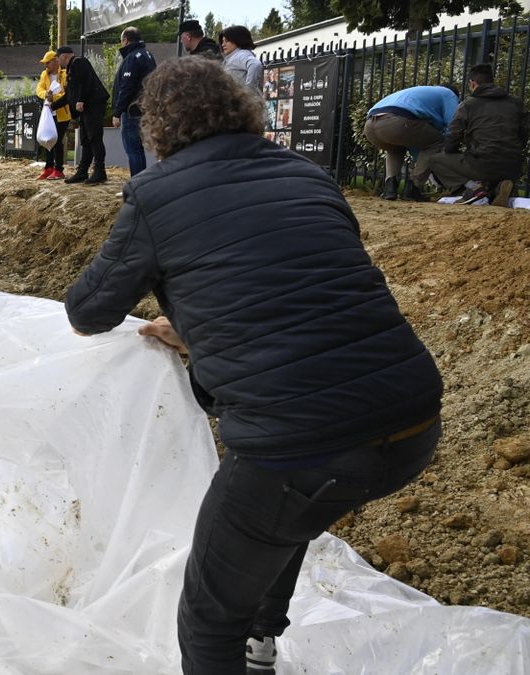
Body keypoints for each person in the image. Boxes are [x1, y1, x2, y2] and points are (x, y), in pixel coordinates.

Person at [63, 58, 442, 675]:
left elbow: (88, 311)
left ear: (157, 128)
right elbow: (303, 287)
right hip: (412, 421)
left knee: (209, 614)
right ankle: (260, 642)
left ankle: (242, 641)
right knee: (287, 518)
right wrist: (193, 331)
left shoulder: (154, 195)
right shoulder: (307, 174)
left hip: (298, 444)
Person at [428, 63, 527, 207]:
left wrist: (453, 153)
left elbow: (453, 135)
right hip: (513, 165)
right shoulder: (516, 103)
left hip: (482, 164)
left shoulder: (468, 105)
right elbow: (524, 133)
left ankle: (472, 189)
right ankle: (498, 188)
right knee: (488, 167)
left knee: (435, 160)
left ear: (473, 83)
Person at [364, 84, 459, 201]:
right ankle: (413, 188)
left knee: (395, 148)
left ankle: (390, 188)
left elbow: (416, 145)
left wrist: (422, 162)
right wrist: (452, 150)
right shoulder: (449, 94)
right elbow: (453, 125)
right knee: (438, 142)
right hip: (396, 122)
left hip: (370, 126)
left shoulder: (422, 94)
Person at [56, 46, 110, 185]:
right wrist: (51, 107)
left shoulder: (79, 62)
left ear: (64, 56)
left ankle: (100, 170)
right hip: (85, 107)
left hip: (93, 104)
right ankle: (82, 171)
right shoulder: (70, 70)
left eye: (58, 57)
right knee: (85, 139)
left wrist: (81, 99)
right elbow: (69, 96)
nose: (57, 61)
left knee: (94, 137)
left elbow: (86, 81)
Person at [111, 27, 157, 176]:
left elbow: (127, 86)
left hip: (132, 111)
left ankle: (137, 184)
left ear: (126, 40)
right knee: (138, 149)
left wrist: (117, 112)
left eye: (121, 41)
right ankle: (141, 182)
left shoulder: (132, 57)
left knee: (132, 149)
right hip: (144, 108)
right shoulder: (148, 55)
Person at [36, 50, 71, 181]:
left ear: (56, 61)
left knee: (57, 140)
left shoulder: (65, 74)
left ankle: (58, 169)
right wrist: (46, 94)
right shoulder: (44, 75)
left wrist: (53, 97)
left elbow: (66, 93)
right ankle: (49, 167)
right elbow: (39, 89)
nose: (46, 66)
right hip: (49, 113)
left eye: (48, 62)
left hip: (62, 113)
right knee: (47, 139)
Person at [219, 26, 263, 92]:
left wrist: (248, 90)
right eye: (222, 41)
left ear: (237, 40)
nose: (223, 44)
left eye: (227, 41)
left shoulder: (240, 55)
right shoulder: (231, 57)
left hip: (245, 101)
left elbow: (255, 64)